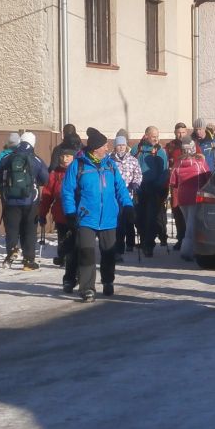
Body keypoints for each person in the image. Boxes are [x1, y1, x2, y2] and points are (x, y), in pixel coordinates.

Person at [62, 129, 134, 301]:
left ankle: (108, 281)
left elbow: (120, 188)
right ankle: (87, 288)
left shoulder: (110, 165)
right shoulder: (78, 165)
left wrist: (128, 205)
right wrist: (70, 212)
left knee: (108, 253)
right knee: (86, 253)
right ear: (95, 149)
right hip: (86, 217)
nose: (107, 148)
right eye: (104, 145)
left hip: (109, 217)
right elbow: (67, 191)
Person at [0, 130, 48, 270]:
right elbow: (45, 179)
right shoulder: (36, 159)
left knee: (12, 228)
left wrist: (3, 189)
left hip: (10, 201)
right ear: (33, 143)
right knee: (29, 229)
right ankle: (28, 261)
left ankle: (12, 250)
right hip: (31, 200)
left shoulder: (7, 158)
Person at [40, 145, 77, 283]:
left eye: (68, 156)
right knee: (62, 239)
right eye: (62, 156)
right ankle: (63, 257)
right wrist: (42, 213)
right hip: (60, 214)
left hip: (76, 213)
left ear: (74, 157)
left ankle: (71, 261)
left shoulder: (79, 171)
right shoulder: (55, 173)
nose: (65, 159)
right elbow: (47, 195)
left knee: (75, 241)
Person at [169, 138, 211, 260]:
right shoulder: (200, 163)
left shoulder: (177, 163)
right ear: (193, 149)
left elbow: (173, 181)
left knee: (188, 222)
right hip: (196, 197)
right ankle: (188, 251)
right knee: (192, 225)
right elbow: (208, 177)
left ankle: (189, 249)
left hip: (182, 197)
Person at [135, 126, 169, 257]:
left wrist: (157, 186)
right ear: (146, 136)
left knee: (151, 218)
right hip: (138, 188)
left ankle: (149, 245)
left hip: (153, 189)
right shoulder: (137, 149)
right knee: (139, 217)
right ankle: (143, 240)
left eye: (157, 136)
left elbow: (165, 172)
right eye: (153, 136)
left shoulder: (159, 151)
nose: (156, 139)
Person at [109, 133, 142, 257]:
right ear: (115, 147)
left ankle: (130, 243)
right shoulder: (110, 160)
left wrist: (136, 183)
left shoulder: (132, 160)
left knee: (129, 220)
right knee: (118, 221)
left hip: (129, 194)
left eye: (123, 145)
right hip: (114, 195)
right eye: (119, 145)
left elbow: (138, 174)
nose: (121, 147)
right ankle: (118, 245)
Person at [165, 122, 191, 243]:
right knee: (176, 210)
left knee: (189, 212)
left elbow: (200, 159)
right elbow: (164, 160)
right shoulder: (171, 146)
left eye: (183, 132)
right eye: (178, 133)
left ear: (187, 132)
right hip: (176, 185)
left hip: (190, 184)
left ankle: (189, 239)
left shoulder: (192, 144)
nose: (181, 135)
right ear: (175, 133)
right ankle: (180, 239)